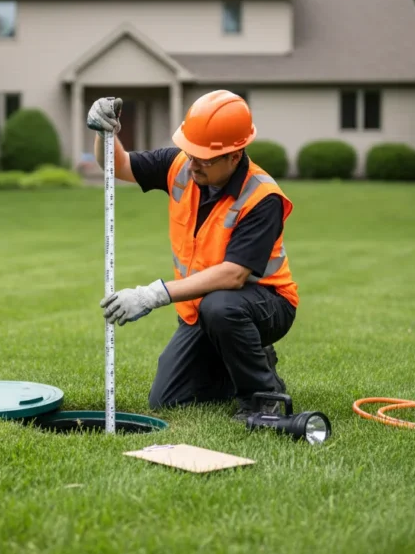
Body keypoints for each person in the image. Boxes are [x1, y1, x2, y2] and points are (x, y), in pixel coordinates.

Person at [86, 90, 300, 422]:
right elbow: (120, 165)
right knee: (166, 399)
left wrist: (152, 294)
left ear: (234, 155)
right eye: (190, 152)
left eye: (204, 157)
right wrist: (105, 133)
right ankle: (244, 361)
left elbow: (233, 276)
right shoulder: (181, 166)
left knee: (222, 306)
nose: (193, 162)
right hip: (201, 309)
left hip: (266, 304)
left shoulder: (262, 197)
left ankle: (263, 396)